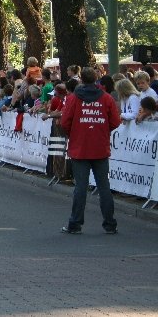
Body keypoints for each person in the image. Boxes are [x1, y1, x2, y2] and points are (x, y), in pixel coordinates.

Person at [60, 67, 120, 235]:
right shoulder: (107, 98)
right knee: (104, 187)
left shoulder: (73, 99)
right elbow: (115, 121)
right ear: (96, 80)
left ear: (81, 80)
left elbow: (65, 122)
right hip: (100, 147)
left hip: (80, 148)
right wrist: (102, 130)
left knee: (80, 187)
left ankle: (75, 224)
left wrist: (75, 132)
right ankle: (110, 224)